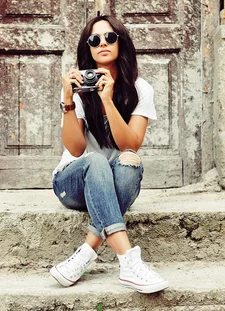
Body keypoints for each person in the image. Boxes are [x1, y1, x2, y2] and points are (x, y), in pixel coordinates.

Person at [49, 15, 169, 294]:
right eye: (95, 39)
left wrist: (107, 100)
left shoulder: (139, 89)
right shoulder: (78, 90)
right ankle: (129, 261)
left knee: (130, 163)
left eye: (110, 37)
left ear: (121, 42)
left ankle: (85, 253)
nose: (102, 43)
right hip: (72, 184)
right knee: (95, 159)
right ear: (87, 48)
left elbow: (131, 144)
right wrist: (68, 100)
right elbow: (76, 149)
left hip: (111, 185)